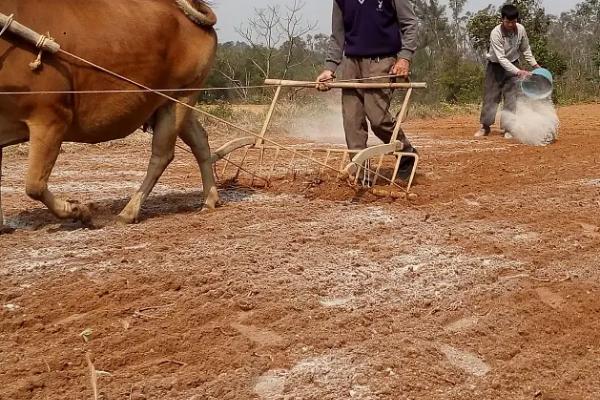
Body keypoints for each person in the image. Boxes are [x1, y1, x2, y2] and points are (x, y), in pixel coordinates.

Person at [316, 0, 418, 184]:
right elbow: (337, 35)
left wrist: (404, 57)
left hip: (382, 61)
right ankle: (360, 173)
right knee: (351, 120)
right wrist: (329, 68)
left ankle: (406, 153)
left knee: (378, 118)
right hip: (351, 62)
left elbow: (410, 24)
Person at [475, 4, 540, 138]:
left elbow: (525, 49)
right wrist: (519, 72)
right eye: (508, 21)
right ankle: (485, 127)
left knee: (511, 97)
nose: (511, 24)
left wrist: (535, 65)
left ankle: (508, 128)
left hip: (513, 64)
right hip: (495, 66)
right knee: (491, 97)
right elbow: (501, 58)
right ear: (502, 20)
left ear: (517, 20)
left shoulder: (521, 30)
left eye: (514, 21)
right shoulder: (496, 33)